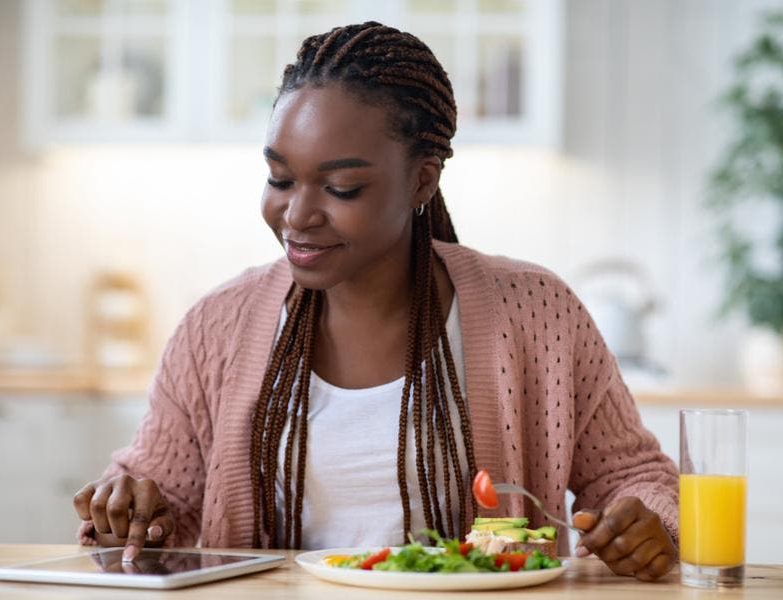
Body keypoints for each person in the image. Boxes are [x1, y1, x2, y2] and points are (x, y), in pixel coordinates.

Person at [73, 22, 678, 581]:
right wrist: (126, 512)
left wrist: (648, 524)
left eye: (342, 187)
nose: (298, 215)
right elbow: (162, 507)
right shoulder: (218, 326)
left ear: (422, 180)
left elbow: (633, 478)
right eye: (280, 179)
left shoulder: (536, 312)